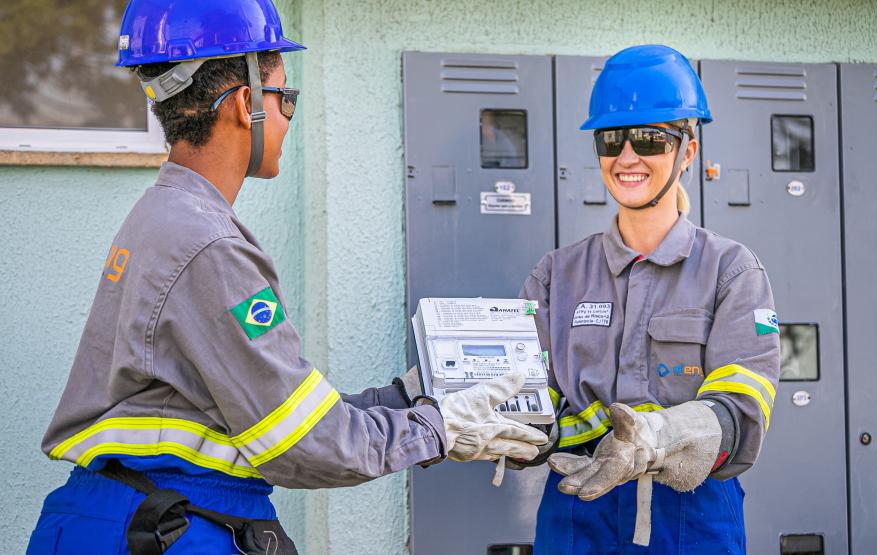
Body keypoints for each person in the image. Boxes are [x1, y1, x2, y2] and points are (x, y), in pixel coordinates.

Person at [26, 1, 547, 553]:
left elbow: (268, 406)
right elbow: (302, 442)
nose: (287, 117)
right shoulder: (210, 247)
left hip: (126, 515)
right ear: (246, 103)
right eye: (286, 98)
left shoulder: (165, 215)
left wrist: (403, 398)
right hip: (169, 528)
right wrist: (436, 428)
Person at [516, 45, 780, 554]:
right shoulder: (556, 275)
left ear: (688, 152)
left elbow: (742, 409)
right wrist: (472, 413)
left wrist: (656, 437)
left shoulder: (732, 271)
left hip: (691, 517)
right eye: (612, 139)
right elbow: (530, 402)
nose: (628, 157)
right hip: (578, 509)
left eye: (651, 139)